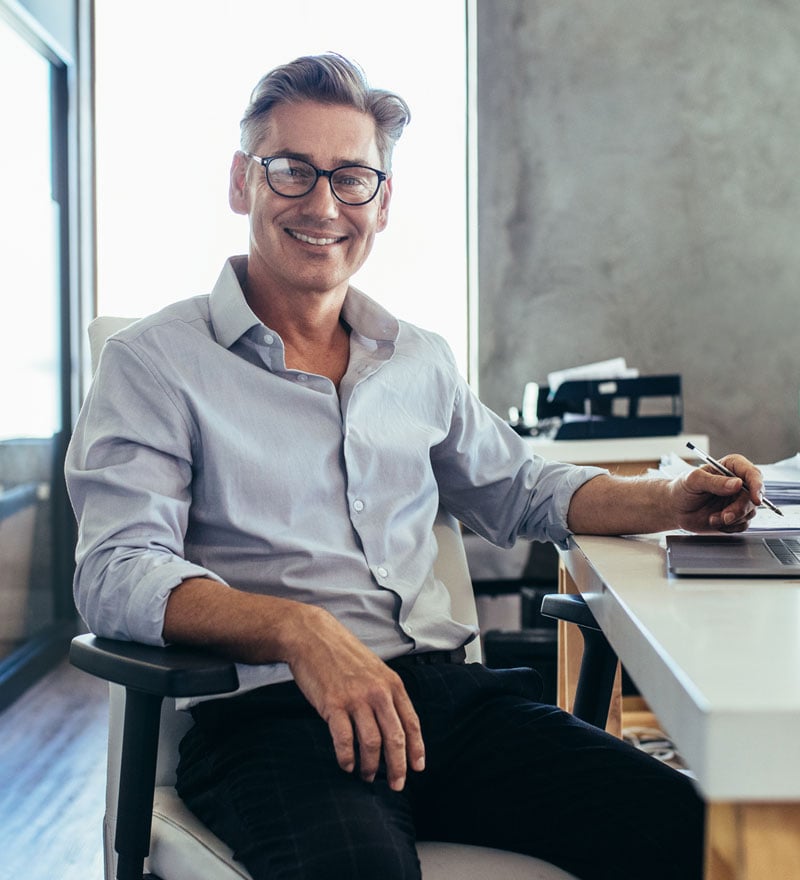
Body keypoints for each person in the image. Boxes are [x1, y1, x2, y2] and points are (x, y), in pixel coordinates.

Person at [66, 53, 763, 880]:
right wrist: (299, 631)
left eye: (352, 178)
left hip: (451, 707)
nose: (323, 204)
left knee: (703, 839)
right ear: (241, 181)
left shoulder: (417, 359)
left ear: (383, 201)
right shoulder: (152, 364)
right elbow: (116, 569)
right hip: (277, 722)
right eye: (290, 170)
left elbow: (523, 489)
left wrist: (675, 499)